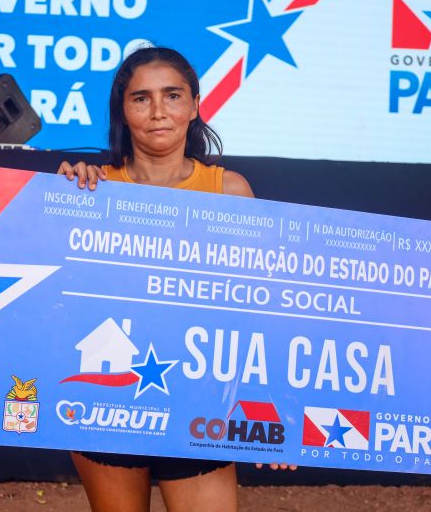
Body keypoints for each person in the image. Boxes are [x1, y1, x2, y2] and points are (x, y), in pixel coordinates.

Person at [58, 46, 294, 512]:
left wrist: (274, 401)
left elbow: (260, 307)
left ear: (194, 105)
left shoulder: (228, 190)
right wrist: (62, 196)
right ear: (123, 111)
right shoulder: (91, 188)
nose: (158, 111)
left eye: (172, 95)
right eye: (141, 98)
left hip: (199, 398)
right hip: (108, 394)